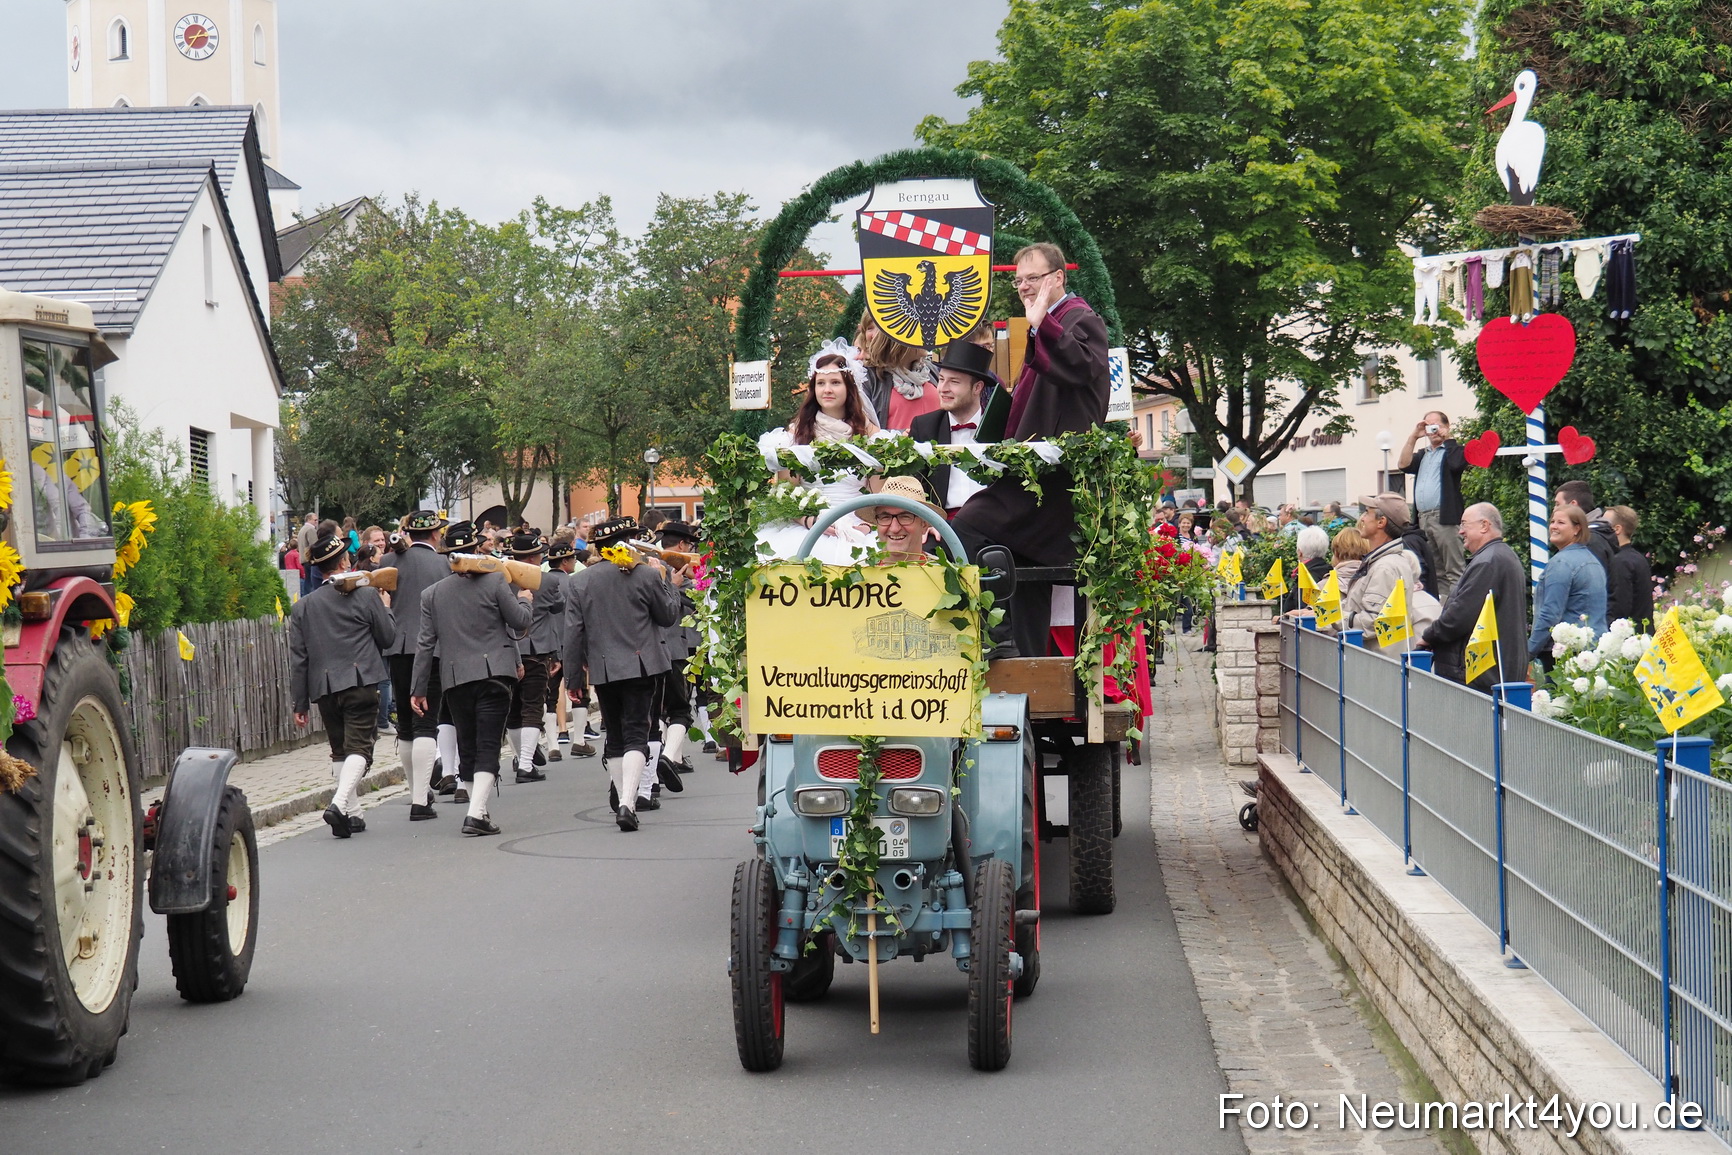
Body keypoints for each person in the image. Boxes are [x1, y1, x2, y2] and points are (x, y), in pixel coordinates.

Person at [951, 242, 1111, 656]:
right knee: (1025, 573)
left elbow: (1082, 366)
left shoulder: (1080, 318)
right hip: (1033, 476)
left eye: (1033, 279)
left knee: (969, 523)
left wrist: (1042, 324)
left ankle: (986, 632)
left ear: (1058, 277)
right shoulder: (1049, 322)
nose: (1024, 287)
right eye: (1019, 280)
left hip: (1051, 483)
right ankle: (1024, 663)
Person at [410, 520, 532, 837]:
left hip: (455, 678)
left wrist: (418, 688)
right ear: (476, 550)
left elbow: (425, 644)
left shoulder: (431, 594)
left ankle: (477, 806)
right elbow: (516, 624)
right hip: (494, 674)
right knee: (489, 744)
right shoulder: (494, 582)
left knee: (468, 745)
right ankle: (476, 812)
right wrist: (525, 600)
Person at [564, 517, 682, 832]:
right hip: (643, 665)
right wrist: (665, 580)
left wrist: (574, 679)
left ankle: (622, 795)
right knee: (636, 734)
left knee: (615, 736)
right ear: (627, 541)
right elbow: (668, 616)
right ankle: (628, 803)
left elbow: (573, 634)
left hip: (603, 667)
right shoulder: (645, 574)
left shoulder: (580, 581)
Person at [289, 533, 394, 839]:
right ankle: (337, 805)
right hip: (360, 680)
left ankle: (354, 814)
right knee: (360, 748)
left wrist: (299, 704)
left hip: (324, 687)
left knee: (340, 751)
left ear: (319, 569)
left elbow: (299, 660)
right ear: (345, 561)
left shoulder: (303, 607)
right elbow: (387, 638)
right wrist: (385, 607)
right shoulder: (366, 595)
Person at [756, 350, 885, 564]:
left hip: (859, 526)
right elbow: (787, 493)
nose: (827, 390)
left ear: (849, 387)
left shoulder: (870, 434)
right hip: (808, 527)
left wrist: (866, 525)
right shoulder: (795, 435)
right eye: (820, 383)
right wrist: (811, 521)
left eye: (835, 382)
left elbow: (878, 493)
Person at [381, 511, 452, 819]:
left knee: (407, 726)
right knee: (427, 722)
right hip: (432, 649)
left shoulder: (387, 563)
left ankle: (415, 791)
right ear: (436, 534)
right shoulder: (443, 564)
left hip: (398, 647)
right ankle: (421, 800)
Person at [1419, 503, 1529, 689]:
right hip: (1491, 671)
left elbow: (1460, 615)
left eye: (1464, 524)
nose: (1460, 532)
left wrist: (1429, 636)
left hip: (1481, 674)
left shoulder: (1488, 562)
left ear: (1484, 526)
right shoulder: (1499, 557)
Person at [1340, 493, 1439, 652]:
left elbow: (1373, 623)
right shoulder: (1384, 561)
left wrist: (1335, 616)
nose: (1362, 518)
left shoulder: (1385, 567)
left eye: (1367, 512)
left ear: (1381, 522)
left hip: (1377, 662)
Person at [910, 341, 999, 516]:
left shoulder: (1000, 427)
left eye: (954, 382)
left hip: (992, 524)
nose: (943, 389)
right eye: (941, 379)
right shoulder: (924, 427)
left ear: (977, 387)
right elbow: (915, 488)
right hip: (941, 524)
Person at [652, 521, 706, 784]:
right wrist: (694, 582)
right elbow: (698, 601)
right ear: (683, 545)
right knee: (680, 709)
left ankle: (664, 757)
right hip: (674, 649)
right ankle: (670, 756)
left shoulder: (646, 567)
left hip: (651, 652)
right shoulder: (672, 572)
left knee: (657, 710)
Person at [505, 531, 559, 785]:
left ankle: (520, 756)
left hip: (508, 649)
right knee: (533, 707)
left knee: (513, 709)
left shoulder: (501, 580)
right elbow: (557, 606)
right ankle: (525, 763)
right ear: (537, 557)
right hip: (537, 650)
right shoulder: (546, 581)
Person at [1527, 504, 1607, 671]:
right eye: (1552, 521)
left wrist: (1528, 651)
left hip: (1565, 654)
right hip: (1594, 648)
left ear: (1577, 528)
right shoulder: (1593, 561)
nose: (1554, 526)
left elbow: (1550, 613)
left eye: (1561, 522)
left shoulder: (1561, 563)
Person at [1398, 411, 1468, 598]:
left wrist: (1449, 440)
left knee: (1454, 569)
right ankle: (1442, 609)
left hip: (1444, 517)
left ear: (1446, 426)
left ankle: (1457, 610)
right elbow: (1403, 464)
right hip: (1423, 518)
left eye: (1436, 425)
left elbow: (1456, 465)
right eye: (1429, 426)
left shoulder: (1454, 450)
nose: (1433, 430)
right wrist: (1414, 436)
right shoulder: (1423, 455)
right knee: (1436, 572)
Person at [1554, 479, 1628, 615]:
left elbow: (1591, 590)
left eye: (1558, 504)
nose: (1554, 510)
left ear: (1573, 505)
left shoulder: (1590, 541)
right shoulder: (1597, 536)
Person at [856, 314, 939, 432]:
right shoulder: (867, 378)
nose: (925, 335)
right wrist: (900, 438)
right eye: (869, 328)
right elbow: (861, 429)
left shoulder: (931, 370)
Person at [873, 476, 943, 563]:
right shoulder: (858, 572)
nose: (894, 528)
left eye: (905, 517)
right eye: (885, 517)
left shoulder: (943, 573)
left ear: (924, 524)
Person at [1606, 505, 1654, 630]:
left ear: (1617, 529)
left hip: (1629, 639)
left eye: (1604, 525)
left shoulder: (1620, 561)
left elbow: (1619, 607)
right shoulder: (1638, 558)